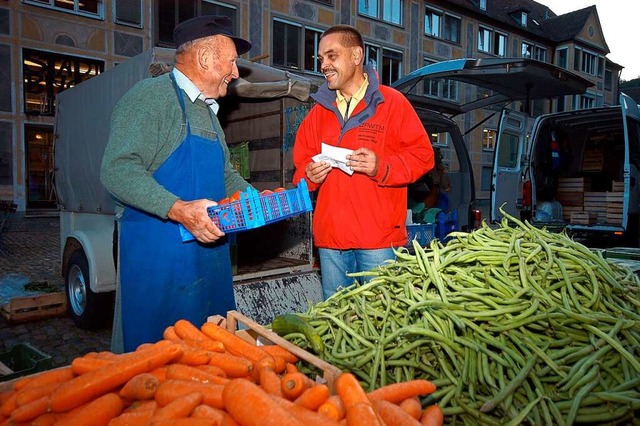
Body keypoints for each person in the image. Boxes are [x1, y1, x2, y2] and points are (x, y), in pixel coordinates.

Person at [100, 15, 252, 353]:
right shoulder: (151, 98)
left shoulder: (210, 114)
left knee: (211, 353)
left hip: (209, 260)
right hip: (160, 262)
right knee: (156, 358)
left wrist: (256, 200)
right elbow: (117, 169)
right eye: (231, 62)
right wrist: (180, 210)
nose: (236, 72)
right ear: (204, 58)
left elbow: (225, 173)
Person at [292, 25, 434, 299]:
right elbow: (299, 174)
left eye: (332, 56)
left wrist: (382, 167)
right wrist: (310, 175)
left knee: (380, 321)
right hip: (331, 240)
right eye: (321, 58)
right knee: (336, 321)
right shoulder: (318, 112)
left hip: (378, 241)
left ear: (356, 56)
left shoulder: (392, 104)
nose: (324, 65)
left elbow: (423, 157)